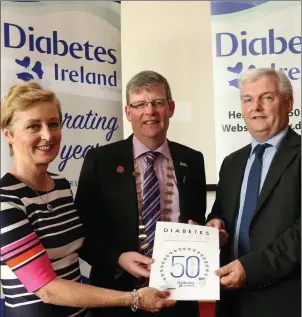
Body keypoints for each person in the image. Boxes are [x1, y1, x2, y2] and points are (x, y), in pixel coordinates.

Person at [0, 81, 175, 317]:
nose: (47, 135)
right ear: (8, 134)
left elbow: (78, 249)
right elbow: (47, 288)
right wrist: (132, 298)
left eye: (53, 124)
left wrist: (121, 258)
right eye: (33, 126)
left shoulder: (60, 186)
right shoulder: (6, 200)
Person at [75, 70, 207, 317]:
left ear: (171, 108)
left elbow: (197, 219)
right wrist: (118, 259)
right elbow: (82, 230)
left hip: (178, 300)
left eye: (158, 102)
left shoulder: (193, 160)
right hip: (117, 299)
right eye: (140, 105)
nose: (150, 111)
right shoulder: (100, 161)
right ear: (128, 112)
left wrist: (203, 232)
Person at [206, 68, 301, 317]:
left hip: (286, 300)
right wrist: (215, 225)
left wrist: (252, 268)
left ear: (288, 103)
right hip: (231, 300)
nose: (255, 107)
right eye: (248, 99)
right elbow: (221, 214)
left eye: (267, 97)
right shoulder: (232, 163)